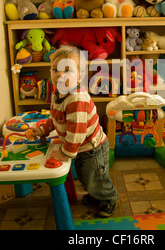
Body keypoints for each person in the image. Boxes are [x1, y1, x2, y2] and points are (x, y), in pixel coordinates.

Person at [26, 46, 119, 217]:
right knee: (86, 178)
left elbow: (77, 132)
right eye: (56, 70)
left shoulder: (76, 99)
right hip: (79, 147)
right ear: (50, 72)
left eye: (67, 70)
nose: (60, 75)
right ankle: (95, 193)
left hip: (92, 147)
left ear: (79, 77)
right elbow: (55, 119)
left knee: (96, 177)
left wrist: (65, 153)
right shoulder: (57, 95)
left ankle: (109, 197)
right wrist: (41, 130)